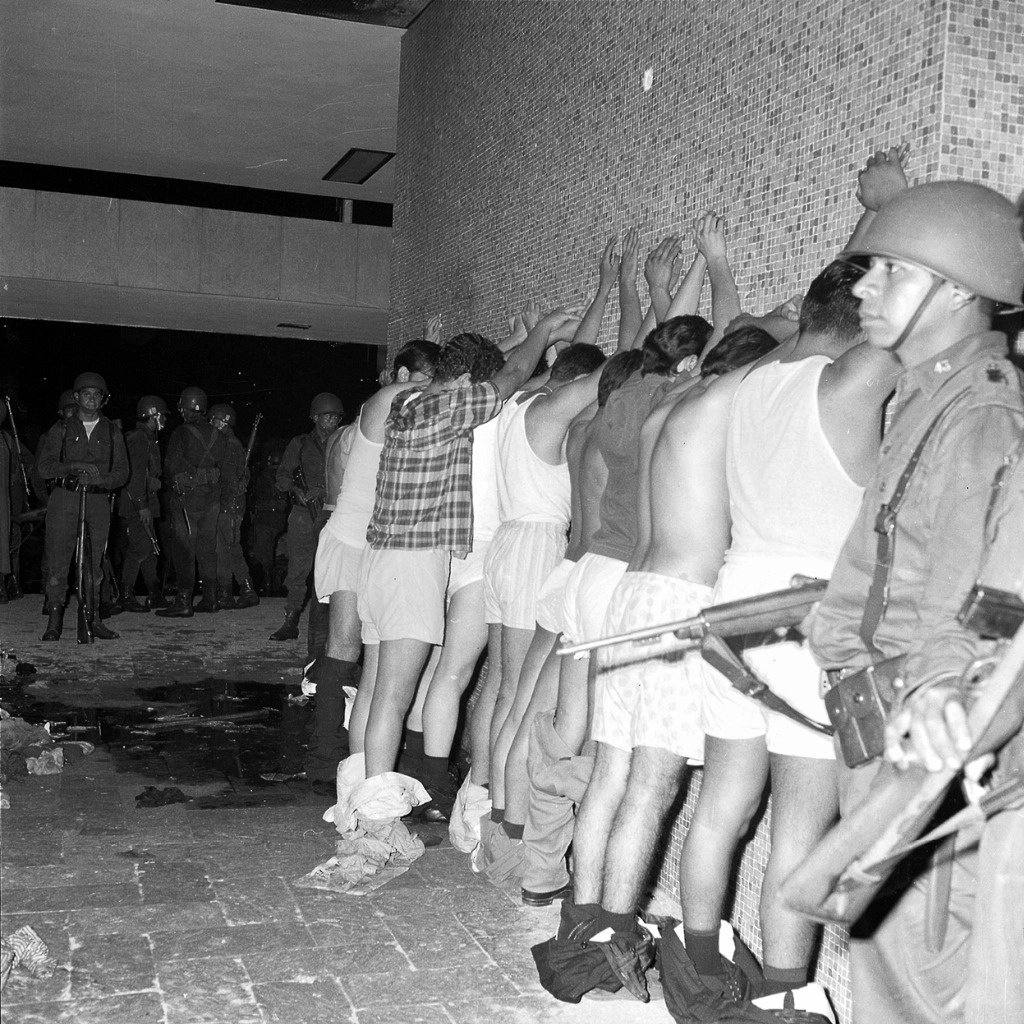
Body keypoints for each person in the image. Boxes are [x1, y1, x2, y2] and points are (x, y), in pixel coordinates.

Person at [807, 179, 1024, 1023]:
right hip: (875, 711)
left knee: (920, 978)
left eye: (887, 270)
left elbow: (979, 600)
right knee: (885, 965)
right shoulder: (921, 394)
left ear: (958, 288)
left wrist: (937, 695)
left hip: (918, 726)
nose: (861, 287)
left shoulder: (982, 415)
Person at [559, 325, 779, 1001]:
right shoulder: (721, 408)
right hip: (678, 602)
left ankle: (584, 922)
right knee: (652, 789)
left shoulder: (665, 409)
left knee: (611, 774)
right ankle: (619, 940)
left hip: (632, 592)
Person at [306, 339, 440, 794]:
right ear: (402, 378)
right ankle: (325, 757)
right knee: (343, 648)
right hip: (348, 540)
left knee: (362, 659)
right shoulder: (374, 411)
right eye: (419, 379)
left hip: (362, 542)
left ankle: (349, 762)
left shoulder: (384, 408)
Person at [36, 372, 129, 641]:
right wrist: (74, 467)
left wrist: (103, 479)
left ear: (103, 399)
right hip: (65, 499)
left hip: (98, 500)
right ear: (76, 397)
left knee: (95, 565)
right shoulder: (62, 429)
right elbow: (44, 468)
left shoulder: (112, 431)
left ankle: (94, 618)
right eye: (86, 394)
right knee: (58, 562)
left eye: (97, 394)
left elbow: (123, 471)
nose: (92, 398)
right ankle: (54, 621)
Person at [270, 392, 343, 642]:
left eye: (335, 416)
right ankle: (291, 621)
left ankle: (334, 628)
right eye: (327, 415)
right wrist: (296, 490)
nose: (332, 420)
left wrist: (324, 491)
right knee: (298, 571)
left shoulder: (344, 441)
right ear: (314, 417)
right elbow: (282, 476)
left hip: (335, 513)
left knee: (335, 573)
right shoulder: (299, 444)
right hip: (304, 515)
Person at [156, 386, 228, 617]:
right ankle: (210, 598)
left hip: (188, 497)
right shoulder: (218, 433)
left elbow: (170, 467)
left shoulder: (181, 432)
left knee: (184, 547)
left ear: (185, 409)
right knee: (207, 548)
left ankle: (184, 601)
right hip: (213, 497)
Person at [119, 395, 168, 612]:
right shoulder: (139, 439)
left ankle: (154, 594)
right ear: (153, 415)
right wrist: (142, 506)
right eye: (162, 415)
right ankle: (125, 595)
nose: (164, 419)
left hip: (146, 500)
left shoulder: (147, 438)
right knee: (139, 549)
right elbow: (136, 475)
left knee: (149, 549)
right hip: (138, 503)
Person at [209, 403, 259, 610]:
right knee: (231, 548)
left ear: (222, 422)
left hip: (229, 504)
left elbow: (229, 479)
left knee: (225, 549)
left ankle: (228, 593)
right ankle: (245, 590)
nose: (211, 424)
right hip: (230, 504)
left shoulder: (229, 444)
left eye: (213, 420)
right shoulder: (229, 443)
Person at [248, 448, 288, 596]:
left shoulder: (264, 477)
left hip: (265, 519)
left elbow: (255, 497)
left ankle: (269, 583)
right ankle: (271, 583)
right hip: (279, 520)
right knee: (270, 552)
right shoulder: (284, 477)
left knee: (262, 552)